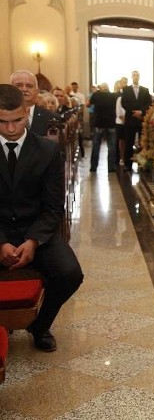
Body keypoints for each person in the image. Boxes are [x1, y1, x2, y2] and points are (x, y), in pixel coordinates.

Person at [0, 84, 83, 351]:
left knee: (70, 273)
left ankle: (40, 324)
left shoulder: (47, 151)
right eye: (2, 121)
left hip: (37, 229)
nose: (11, 129)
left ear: (27, 112)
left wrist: (34, 241)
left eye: (17, 120)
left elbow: (52, 206)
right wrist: (1, 243)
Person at [9, 70, 59, 138]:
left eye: (29, 86)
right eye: (19, 85)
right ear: (10, 89)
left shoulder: (53, 118)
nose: (24, 89)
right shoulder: (2, 116)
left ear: (37, 91)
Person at [120, 70, 153, 171]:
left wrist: (141, 112)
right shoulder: (125, 90)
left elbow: (148, 103)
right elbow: (124, 103)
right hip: (130, 119)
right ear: (131, 77)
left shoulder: (145, 90)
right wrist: (133, 112)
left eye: (137, 75)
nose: (135, 77)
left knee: (142, 143)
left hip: (142, 119)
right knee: (129, 142)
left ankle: (142, 164)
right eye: (134, 75)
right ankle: (127, 164)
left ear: (139, 77)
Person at [89, 83, 118, 173]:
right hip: (111, 123)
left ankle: (93, 167)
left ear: (100, 88)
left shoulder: (96, 95)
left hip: (99, 123)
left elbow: (88, 104)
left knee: (96, 145)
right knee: (111, 146)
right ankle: (111, 167)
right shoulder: (114, 96)